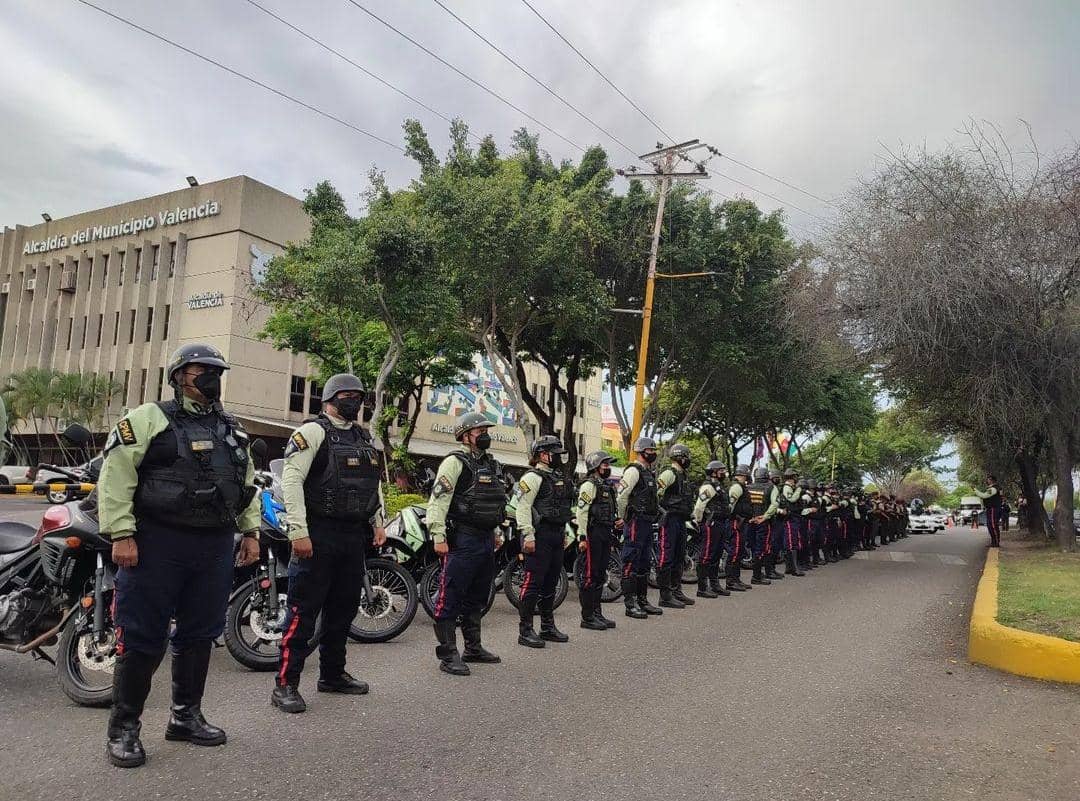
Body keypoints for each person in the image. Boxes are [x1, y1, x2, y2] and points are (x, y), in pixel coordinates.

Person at [99, 343, 261, 768]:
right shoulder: (148, 418)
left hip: (213, 545)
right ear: (178, 376)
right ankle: (124, 728)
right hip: (157, 542)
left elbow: (245, 483)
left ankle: (185, 717)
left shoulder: (232, 428)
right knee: (142, 637)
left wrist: (251, 532)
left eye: (215, 370)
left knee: (199, 634)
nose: (209, 377)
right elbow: (116, 474)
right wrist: (121, 533)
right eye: (199, 370)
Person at [272, 374, 387, 713]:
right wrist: (298, 531)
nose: (354, 401)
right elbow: (291, 481)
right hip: (317, 534)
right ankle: (285, 684)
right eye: (347, 395)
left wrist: (378, 523)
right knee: (302, 613)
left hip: (352, 536)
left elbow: (372, 483)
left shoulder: (363, 437)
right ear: (330, 398)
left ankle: (332, 675)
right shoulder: (312, 432)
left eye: (358, 396)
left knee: (343, 609)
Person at [425, 411, 506, 675]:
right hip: (462, 538)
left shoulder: (491, 464)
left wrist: (495, 532)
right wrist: (438, 535)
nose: (485, 435)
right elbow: (439, 500)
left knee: (478, 595)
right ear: (465, 435)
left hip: (484, 539)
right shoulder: (454, 462)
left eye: (486, 430)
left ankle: (473, 647)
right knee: (451, 596)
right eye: (479, 431)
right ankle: (448, 655)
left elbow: (493, 502)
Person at [514, 436, 575, 647]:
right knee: (533, 583)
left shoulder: (557, 477)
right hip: (538, 535)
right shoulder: (532, 477)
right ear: (543, 455)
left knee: (550, 582)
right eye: (555, 452)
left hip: (556, 534)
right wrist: (528, 535)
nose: (559, 456)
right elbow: (522, 507)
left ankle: (547, 627)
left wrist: (565, 532)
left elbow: (562, 509)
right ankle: (525, 630)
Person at [617, 437, 665, 618]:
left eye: (654, 450)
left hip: (647, 521)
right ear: (642, 451)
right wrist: (622, 517)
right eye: (650, 450)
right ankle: (630, 604)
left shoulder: (648, 472)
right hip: (636, 521)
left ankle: (642, 600)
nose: (653, 453)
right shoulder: (633, 471)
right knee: (631, 561)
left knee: (644, 562)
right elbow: (622, 496)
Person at [575, 451, 619, 630]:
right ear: (595, 466)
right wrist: (582, 536)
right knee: (590, 575)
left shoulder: (606, 486)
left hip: (605, 532)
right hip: (592, 533)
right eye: (605, 464)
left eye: (608, 464)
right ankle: (587, 617)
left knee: (600, 574)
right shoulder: (589, 486)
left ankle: (597, 613)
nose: (607, 467)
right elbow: (581, 512)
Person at [656, 443, 697, 608]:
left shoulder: (683, 475)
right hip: (670, 519)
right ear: (680, 457)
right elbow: (656, 494)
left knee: (679, 556)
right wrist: (662, 512)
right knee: (667, 556)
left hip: (681, 520)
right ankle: (665, 595)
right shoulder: (669, 474)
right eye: (686, 457)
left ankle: (676, 590)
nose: (688, 460)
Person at [691, 461, 732, 598]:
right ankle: (702, 588)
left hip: (720, 523)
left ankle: (715, 585)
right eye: (721, 470)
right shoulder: (708, 486)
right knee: (707, 554)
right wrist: (698, 521)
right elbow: (699, 506)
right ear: (714, 472)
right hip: (710, 523)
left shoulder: (718, 485)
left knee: (716, 554)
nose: (723, 473)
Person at [746, 467, 777, 584]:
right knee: (762, 547)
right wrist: (765, 516)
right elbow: (774, 505)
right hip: (763, 522)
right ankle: (757, 576)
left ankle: (757, 574)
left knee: (753, 547)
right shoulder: (771, 487)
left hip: (750, 521)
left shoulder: (747, 487)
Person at [725, 465, 753, 591]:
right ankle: (731, 581)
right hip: (736, 522)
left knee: (739, 551)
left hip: (742, 522)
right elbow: (730, 505)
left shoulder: (742, 487)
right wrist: (734, 519)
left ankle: (736, 579)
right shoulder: (736, 487)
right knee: (735, 551)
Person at [777, 468, 805, 577]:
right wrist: (798, 490)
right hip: (789, 518)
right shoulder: (787, 488)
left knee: (793, 541)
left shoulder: (791, 487)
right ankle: (794, 568)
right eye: (795, 476)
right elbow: (792, 500)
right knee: (791, 542)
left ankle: (790, 567)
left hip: (794, 518)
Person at [973, 475, 1005, 547]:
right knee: (990, 525)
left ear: (991, 480)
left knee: (993, 525)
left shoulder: (993, 488)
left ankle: (996, 542)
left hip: (993, 508)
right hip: (992, 508)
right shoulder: (995, 488)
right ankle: (993, 542)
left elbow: (984, 496)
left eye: (988, 479)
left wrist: (975, 490)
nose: (987, 481)